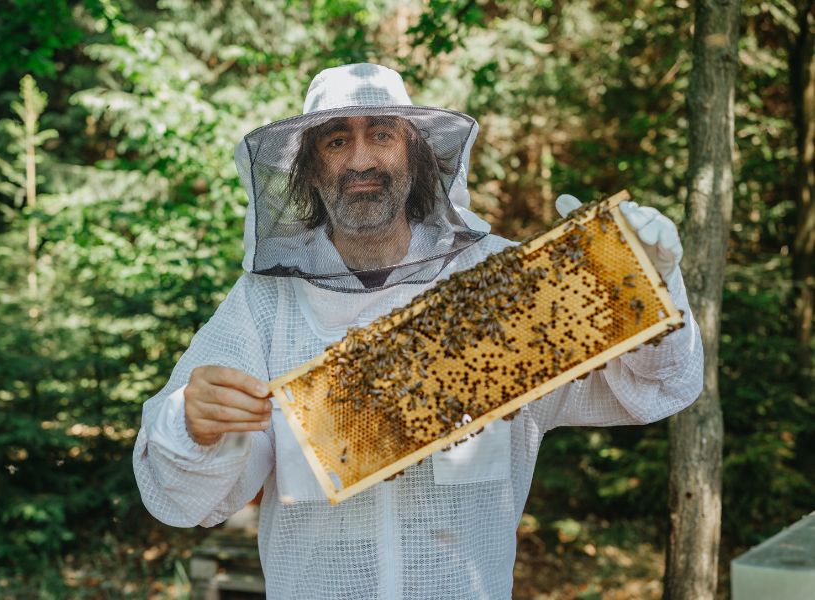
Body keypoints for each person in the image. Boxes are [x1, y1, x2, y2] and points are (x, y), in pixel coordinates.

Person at [133, 63, 703, 599]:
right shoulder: (262, 305)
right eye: (336, 140)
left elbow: (650, 388)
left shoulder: (504, 284)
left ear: (414, 154)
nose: (361, 158)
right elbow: (186, 498)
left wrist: (647, 287)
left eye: (382, 135)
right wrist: (190, 425)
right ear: (309, 168)